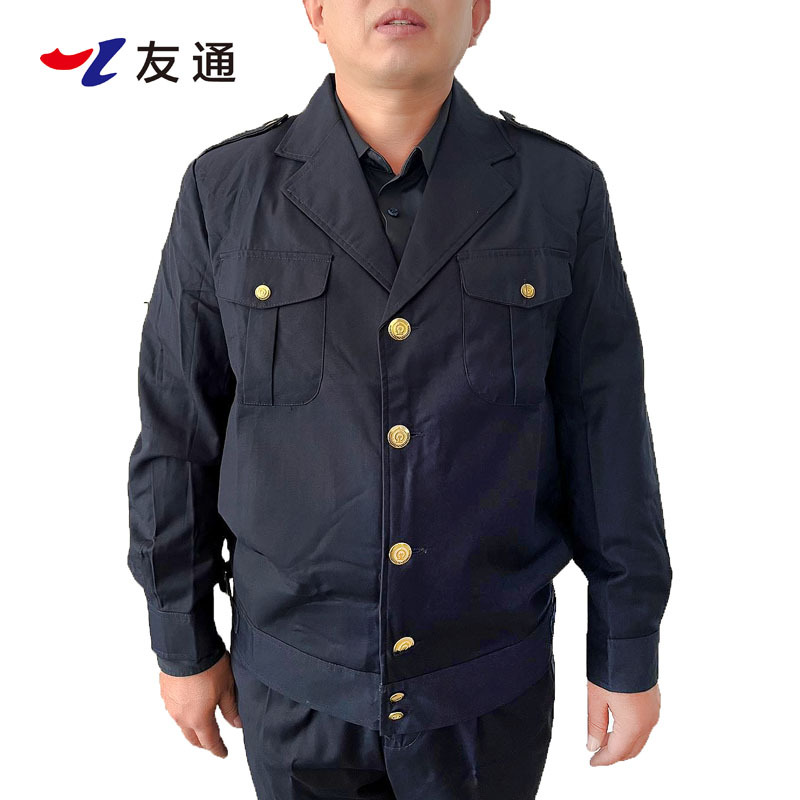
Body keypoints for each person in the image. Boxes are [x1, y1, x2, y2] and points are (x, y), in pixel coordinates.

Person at [127, 1, 673, 797]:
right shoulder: (226, 190)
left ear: (478, 14)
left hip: (486, 683)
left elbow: (607, 434)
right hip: (296, 678)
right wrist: (181, 639)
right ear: (316, 11)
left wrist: (626, 647)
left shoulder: (559, 191)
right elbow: (179, 434)